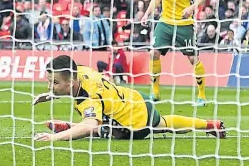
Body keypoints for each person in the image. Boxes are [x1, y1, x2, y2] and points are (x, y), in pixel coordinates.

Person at [32, 55, 225, 142]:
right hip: (132, 99)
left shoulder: (89, 96)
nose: (50, 86)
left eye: (54, 83)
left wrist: (54, 138)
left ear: (71, 80)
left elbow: (90, 124)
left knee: (100, 129)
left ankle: (71, 128)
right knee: (163, 123)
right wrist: (51, 94)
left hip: (133, 124)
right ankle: (211, 125)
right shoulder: (80, 71)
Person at [141, 0, 207, 106]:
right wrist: (146, 14)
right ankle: (155, 93)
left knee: (193, 58)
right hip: (165, 22)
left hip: (184, 23)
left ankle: (202, 96)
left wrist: (191, 8)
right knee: (153, 53)